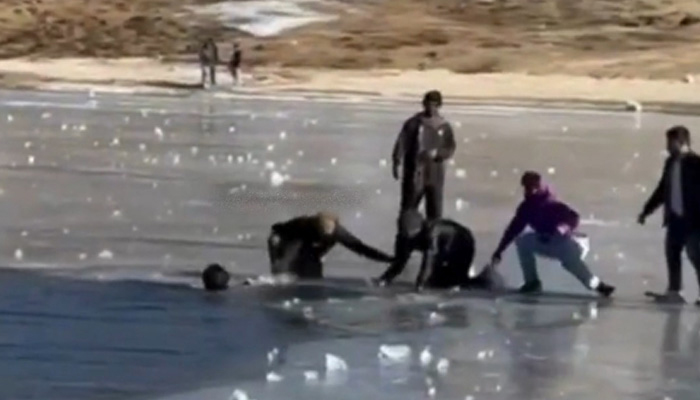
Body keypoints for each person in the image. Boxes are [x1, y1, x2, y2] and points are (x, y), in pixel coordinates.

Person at [487, 171, 615, 297]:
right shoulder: (526, 208)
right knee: (522, 242)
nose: (531, 190)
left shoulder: (551, 203)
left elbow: (574, 218)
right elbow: (513, 230)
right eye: (527, 186)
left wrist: (563, 228)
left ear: (540, 186)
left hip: (569, 242)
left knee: (570, 263)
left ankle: (598, 285)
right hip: (546, 241)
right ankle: (532, 282)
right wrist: (499, 251)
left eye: (534, 186)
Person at [638, 125, 700, 304]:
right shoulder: (670, 162)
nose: (667, 147)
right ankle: (674, 291)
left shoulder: (696, 164)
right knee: (672, 255)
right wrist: (647, 210)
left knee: (696, 257)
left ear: (682, 142)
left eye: (670, 143)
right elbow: (662, 190)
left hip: (693, 221)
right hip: (674, 219)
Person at [376, 209, 502, 291]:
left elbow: (428, 264)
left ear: (419, 230)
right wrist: (383, 280)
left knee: (454, 283)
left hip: (463, 243)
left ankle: (486, 280)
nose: (408, 241)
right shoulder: (404, 237)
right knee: (437, 282)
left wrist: (419, 288)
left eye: (411, 237)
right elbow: (400, 262)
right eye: (405, 236)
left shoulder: (431, 233)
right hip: (444, 249)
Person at [391, 90, 456, 221]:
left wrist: (438, 153)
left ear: (439, 106)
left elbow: (450, 147)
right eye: (428, 104)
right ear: (424, 104)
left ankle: (432, 232)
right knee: (408, 210)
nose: (431, 107)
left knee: (435, 214)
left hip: (435, 175)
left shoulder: (444, 127)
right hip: (414, 174)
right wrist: (396, 161)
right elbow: (402, 142)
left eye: (434, 105)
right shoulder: (413, 123)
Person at [268, 212, 393, 279]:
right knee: (293, 265)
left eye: (327, 236)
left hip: (311, 251)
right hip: (288, 242)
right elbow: (276, 231)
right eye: (321, 233)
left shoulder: (338, 232)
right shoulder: (304, 225)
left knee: (312, 270)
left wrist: (388, 259)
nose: (324, 237)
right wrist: (277, 261)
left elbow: (360, 248)